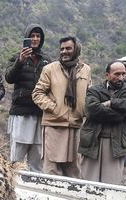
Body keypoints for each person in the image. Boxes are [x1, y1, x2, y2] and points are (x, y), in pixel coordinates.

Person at [32, 36, 92, 177]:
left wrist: (85, 111)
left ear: (76, 49)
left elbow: (89, 93)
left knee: (74, 171)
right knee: (52, 169)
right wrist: (55, 108)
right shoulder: (50, 69)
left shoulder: (86, 70)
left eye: (68, 48)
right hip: (54, 125)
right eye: (62, 49)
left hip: (75, 126)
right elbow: (37, 93)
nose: (64, 52)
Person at [79, 61, 126, 184]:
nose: (121, 77)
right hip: (93, 142)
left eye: (123, 74)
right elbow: (91, 110)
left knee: (110, 185)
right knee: (87, 183)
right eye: (117, 74)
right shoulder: (94, 90)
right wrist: (119, 114)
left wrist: (111, 103)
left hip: (116, 144)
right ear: (107, 75)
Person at [4, 24, 51, 171]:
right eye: (32, 35)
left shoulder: (47, 60)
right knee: (17, 155)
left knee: (37, 156)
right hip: (21, 113)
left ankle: (34, 188)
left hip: (40, 113)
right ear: (27, 37)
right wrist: (20, 61)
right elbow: (9, 78)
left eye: (38, 36)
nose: (35, 39)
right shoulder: (16, 57)